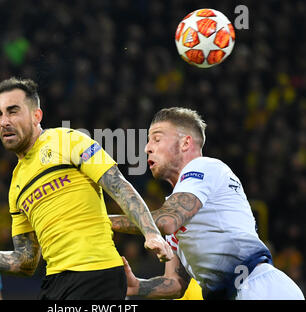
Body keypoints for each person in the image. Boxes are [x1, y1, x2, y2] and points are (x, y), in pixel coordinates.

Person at [0, 77, 173, 300]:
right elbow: (24, 261)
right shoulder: (16, 187)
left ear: (37, 115)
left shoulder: (68, 141)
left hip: (96, 273)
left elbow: (118, 185)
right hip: (55, 283)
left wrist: (150, 232)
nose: (4, 121)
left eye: (13, 111)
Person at [110, 107, 305, 300]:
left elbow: (167, 221)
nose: (147, 148)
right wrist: (137, 286)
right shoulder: (175, 204)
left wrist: (104, 221)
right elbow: (176, 284)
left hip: (258, 289)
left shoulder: (204, 168)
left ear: (185, 142)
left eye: (157, 139)